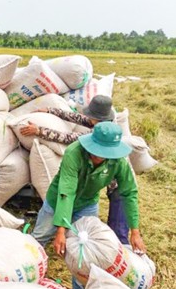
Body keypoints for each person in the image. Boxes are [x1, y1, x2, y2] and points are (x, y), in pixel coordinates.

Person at [30, 121, 147, 289]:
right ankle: (27, 277)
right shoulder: (74, 153)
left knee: (85, 251)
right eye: (97, 151)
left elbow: (129, 193)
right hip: (58, 201)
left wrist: (135, 230)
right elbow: (67, 191)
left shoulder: (119, 162)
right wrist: (60, 229)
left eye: (104, 153)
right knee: (40, 237)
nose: (99, 157)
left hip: (87, 204)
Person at [19, 95, 130, 244]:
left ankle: (119, 246)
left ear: (98, 117)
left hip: (116, 185)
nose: (87, 117)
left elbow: (68, 138)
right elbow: (78, 118)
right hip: (98, 181)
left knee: (117, 228)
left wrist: (39, 131)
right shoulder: (101, 123)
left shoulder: (101, 134)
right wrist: (51, 110)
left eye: (90, 115)